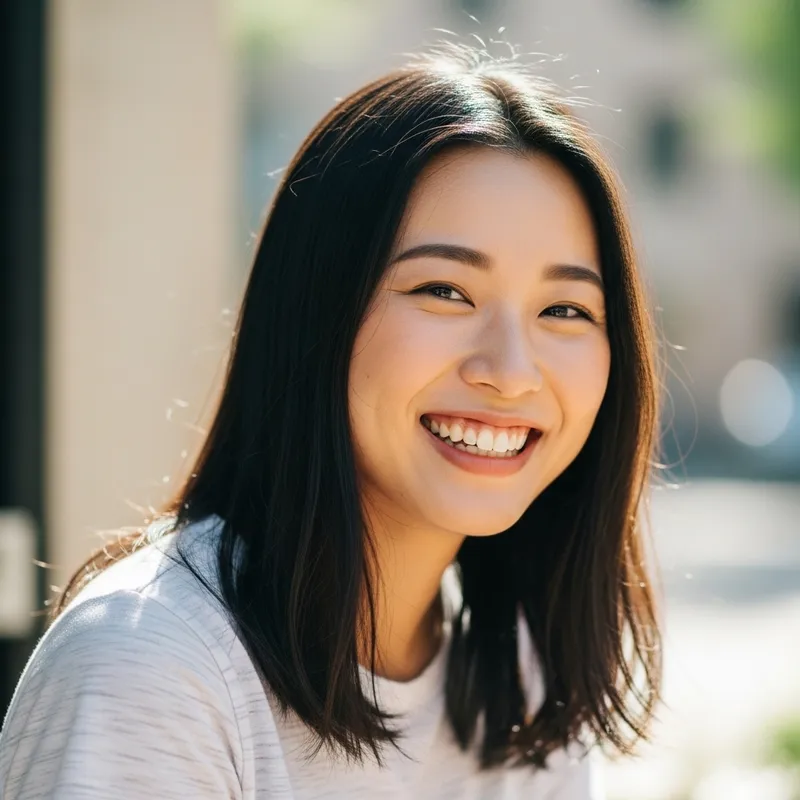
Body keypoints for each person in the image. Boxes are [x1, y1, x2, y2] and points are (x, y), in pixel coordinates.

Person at [0, 45, 662, 799]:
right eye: (445, 291)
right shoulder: (153, 667)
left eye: (565, 309)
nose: (510, 372)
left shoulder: (520, 679)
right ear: (316, 313)